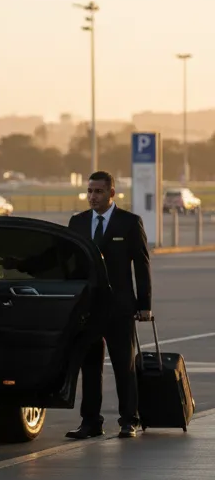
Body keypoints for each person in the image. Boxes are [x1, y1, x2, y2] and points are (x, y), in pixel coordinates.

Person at [66, 170, 152, 440]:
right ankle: (91, 422)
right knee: (89, 368)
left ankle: (129, 420)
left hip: (119, 308)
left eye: (99, 191)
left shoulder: (129, 222)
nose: (93, 196)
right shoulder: (77, 223)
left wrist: (144, 304)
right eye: (90, 191)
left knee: (122, 367)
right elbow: (68, 263)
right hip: (89, 309)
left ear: (112, 193)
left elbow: (142, 265)